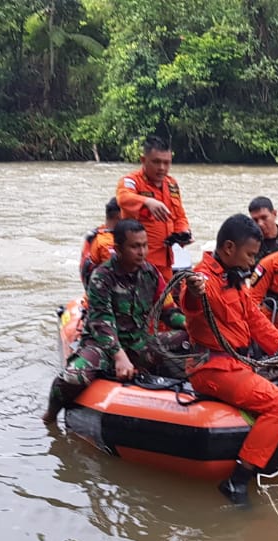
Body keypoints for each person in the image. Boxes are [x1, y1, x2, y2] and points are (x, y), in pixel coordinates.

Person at [181, 214, 278, 506]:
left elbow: (253, 318)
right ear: (228, 248)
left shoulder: (235, 279)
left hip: (235, 364)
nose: (253, 262)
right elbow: (190, 301)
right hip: (212, 368)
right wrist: (193, 290)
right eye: (250, 255)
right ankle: (238, 480)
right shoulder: (204, 279)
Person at [43, 219, 187, 423]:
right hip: (102, 346)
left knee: (187, 338)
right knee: (74, 377)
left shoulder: (151, 273)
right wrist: (119, 356)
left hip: (138, 342)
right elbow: (102, 323)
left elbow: (168, 311)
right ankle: (50, 416)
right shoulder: (102, 277)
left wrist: (188, 323)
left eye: (145, 245)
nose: (142, 251)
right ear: (118, 249)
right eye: (135, 246)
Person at [116, 136, 191, 281]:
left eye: (166, 163)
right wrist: (146, 201)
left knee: (165, 301)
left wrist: (183, 232)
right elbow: (123, 198)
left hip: (165, 261)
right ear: (143, 160)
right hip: (139, 262)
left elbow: (180, 216)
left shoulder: (172, 184)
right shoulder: (131, 181)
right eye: (156, 162)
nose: (162, 168)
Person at [80, 197, 120, 287]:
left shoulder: (100, 231)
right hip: (104, 292)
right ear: (120, 216)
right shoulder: (107, 243)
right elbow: (120, 274)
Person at [247, 196, 278, 263]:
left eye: (264, 218)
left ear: (274, 214)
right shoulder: (248, 245)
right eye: (255, 220)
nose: (260, 224)